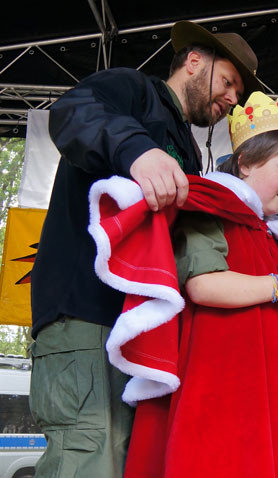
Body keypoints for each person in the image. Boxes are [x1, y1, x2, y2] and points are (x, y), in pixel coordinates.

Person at [29, 20, 260, 478]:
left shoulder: (190, 153)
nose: (233, 99)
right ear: (194, 60)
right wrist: (137, 149)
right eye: (228, 81)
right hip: (84, 319)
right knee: (88, 457)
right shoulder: (132, 89)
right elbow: (72, 110)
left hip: (139, 334)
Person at [109, 91, 278, 477]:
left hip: (253, 388)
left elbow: (262, 295)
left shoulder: (266, 234)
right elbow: (205, 285)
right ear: (247, 162)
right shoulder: (211, 208)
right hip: (215, 384)